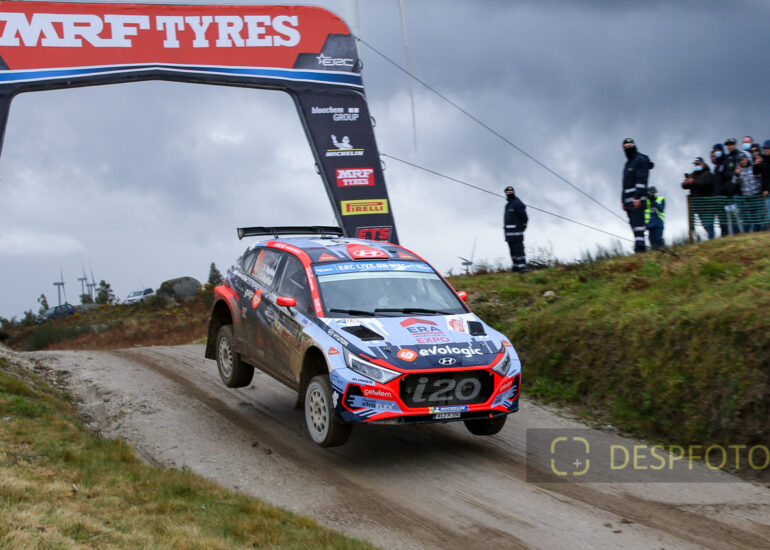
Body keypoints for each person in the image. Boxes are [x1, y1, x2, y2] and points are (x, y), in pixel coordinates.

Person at [621, 138, 651, 253]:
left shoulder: (640, 160)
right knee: (633, 224)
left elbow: (641, 180)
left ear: (634, 145)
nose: (628, 148)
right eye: (626, 146)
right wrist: (623, 200)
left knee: (638, 224)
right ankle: (639, 245)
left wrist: (638, 197)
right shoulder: (628, 163)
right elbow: (624, 184)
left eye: (630, 145)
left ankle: (640, 248)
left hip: (637, 199)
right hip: (628, 201)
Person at [682, 157, 715, 239]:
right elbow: (684, 186)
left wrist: (694, 182)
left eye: (698, 164)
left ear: (703, 164)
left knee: (709, 225)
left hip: (708, 205)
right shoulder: (693, 174)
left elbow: (707, 185)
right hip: (698, 205)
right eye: (695, 164)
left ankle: (712, 239)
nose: (696, 165)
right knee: (704, 224)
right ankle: (710, 239)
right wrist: (685, 183)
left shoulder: (709, 174)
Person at [733, 153, 763, 232]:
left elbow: (760, 178)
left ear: (747, 158)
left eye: (743, 159)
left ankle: (761, 232)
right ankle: (753, 233)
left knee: (759, 217)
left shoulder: (753, 167)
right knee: (749, 218)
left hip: (756, 196)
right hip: (746, 198)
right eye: (740, 160)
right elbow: (734, 182)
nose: (742, 161)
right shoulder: (739, 169)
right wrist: (737, 174)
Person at [503, 185, 528, 272]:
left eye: (510, 192)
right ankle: (516, 267)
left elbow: (524, 217)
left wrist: (523, 227)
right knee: (513, 252)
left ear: (513, 192)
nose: (509, 193)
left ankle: (522, 268)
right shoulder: (508, 205)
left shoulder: (518, 203)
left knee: (519, 251)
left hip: (517, 234)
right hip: (509, 235)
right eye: (507, 192)